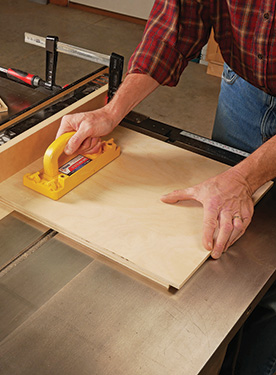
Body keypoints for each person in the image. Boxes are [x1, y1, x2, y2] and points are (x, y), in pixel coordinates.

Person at [56, 1, 276, 374]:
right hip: (246, 90)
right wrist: (112, 111)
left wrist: (243, 177)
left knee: (268, 279)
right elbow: (174, 25)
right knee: (225, 251)